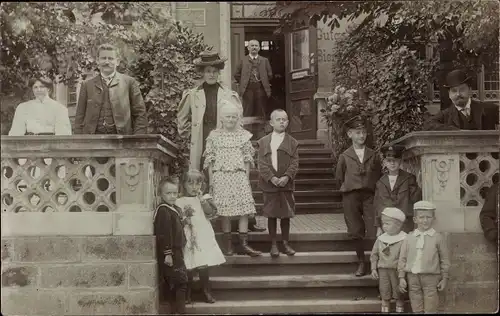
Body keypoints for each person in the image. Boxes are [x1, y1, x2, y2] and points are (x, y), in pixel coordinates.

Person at [177, 47, 266, 233]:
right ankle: (203, 223)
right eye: (207, 71)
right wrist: (187, 138)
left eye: (214, 71)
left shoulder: (228, 94)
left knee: (230, 181)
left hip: (224, 143)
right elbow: (182, 119)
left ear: (219, 73)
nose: (211, 74)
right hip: (202, 142)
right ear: (202, 73)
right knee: (202, 180)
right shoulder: (193, 94)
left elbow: (237, 120)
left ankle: (241, 222)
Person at [203, 101, 262, 257]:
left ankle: (244, 244)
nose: (230, 119)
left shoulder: (243, 136)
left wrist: (246, 179)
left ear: (238, 118)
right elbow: (210, 159)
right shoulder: (214, 136)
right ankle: (227, 245)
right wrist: (211, 180)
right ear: (222, 118)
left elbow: (247, 159)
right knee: (224, 211)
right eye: (228, 116)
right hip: (220, 175)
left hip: (238, 175)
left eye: (234, 117)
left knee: (244, 210)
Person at [335, 115, 382, 276]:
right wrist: (348, 189)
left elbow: (378, 174)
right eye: (357, 132)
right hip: (351, 196)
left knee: (373, 227)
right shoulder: (344, 156)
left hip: (369, 195)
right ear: (350, 135)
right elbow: (339, 177)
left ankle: (376, 263)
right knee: (355, 230)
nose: (361, 136)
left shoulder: (373, 155)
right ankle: (361, 262)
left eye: (363, 132)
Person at [175, 169, 225, 304]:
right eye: (190, 183)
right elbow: (178, 218)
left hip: (202, 233)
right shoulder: (179, 201)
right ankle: (187, 292)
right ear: (184, 184)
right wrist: (184, 221)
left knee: (203, 263)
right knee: (189, 263)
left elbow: (210, 213)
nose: (194, 187)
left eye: (198, 184)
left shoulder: (204, 198)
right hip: (188, 235)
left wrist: (202, 200)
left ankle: (206, 290)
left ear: (202, 185)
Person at [74, 43, 148, 135]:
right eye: (103, 58)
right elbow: (79, 118)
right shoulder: (86, 85)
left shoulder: (129, 83)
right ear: (97, 61)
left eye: (111, 58)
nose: (107, 62)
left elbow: (140, 114)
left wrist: (137, 140)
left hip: (121, 142)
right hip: (93, 142)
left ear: (117, 61)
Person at [257, 109, 299, 257]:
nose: (282, 122)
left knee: (286, 215)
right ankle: (273, 244)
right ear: (271, 122)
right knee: (272, 215)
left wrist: (287, 177)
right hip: (269, 185)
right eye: (278, 119)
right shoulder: (263, 142)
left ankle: (285, 243)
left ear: (287, 123)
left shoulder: (292, 142)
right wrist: (272, 178)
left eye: (284, 120)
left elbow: (294, 162)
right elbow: (261, 163)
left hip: (286, 185)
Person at [398, 201, 451, 313]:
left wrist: (444, 278)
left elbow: (444, 260)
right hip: (412, 277)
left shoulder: (438, 238)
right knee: (416, 304)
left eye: (428, 217)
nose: (425, 220)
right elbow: (402, 259)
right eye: (421, 217)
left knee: (431, 305)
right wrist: (401, 277)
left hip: (431, 277)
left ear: (433, 219)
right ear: (415, 219)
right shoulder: (408, 238)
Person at [423, 69, 499, 131]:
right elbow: (428, 125)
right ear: (449, 94)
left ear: (470, 90)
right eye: (454, 91)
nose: (458, 94)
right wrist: (456, 131)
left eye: (462, 89)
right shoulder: (446, 115)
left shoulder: (488, 109)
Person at [154, 177, 187, 314]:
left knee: (177, 283)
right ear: (161, 194)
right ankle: (179, 311)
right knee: (180, 283)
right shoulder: (163, 211)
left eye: (175, 193)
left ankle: (176, 311)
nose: (173, 196)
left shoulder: (173, 209)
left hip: (177, 251)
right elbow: (164, 233)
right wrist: (168, 253)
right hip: (171, 253)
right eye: (168, 193)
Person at [374, 144, 421, 235]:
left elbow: (415, 199)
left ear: (400, 162)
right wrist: (378, 227)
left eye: (395, 160)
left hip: (405, 224)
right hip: (387, 224)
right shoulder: (380, 182)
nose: (392, 163)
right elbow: (377, 205)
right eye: (389, 161)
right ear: (385, 163)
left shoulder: (409, 178)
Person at [370, 207, 408, 313]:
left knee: (398, 291)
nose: (384, 226)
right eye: (383, 223)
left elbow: (404, 257)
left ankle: (399, 307)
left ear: (398, 225)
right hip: (383, 270)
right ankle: (385, 306)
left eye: (388, 224)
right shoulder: (381, 239)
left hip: (397, 270)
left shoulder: (404, 239)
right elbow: (374, 254)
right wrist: (373, 268)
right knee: (384, 289)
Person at [233, 39, 273, 119]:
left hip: (260, 89)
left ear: (259, 48)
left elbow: (270, 75)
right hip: (248, 89)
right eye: (252, 45)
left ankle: (261, 130)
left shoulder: (264, 60)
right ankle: (246, 129)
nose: (254, 47)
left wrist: (263, 81)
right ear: (248, 48)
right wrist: (243, 82)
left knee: (261, 110)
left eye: (256, 46)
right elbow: (236, 74)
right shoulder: (242, 60)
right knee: (248, 110)